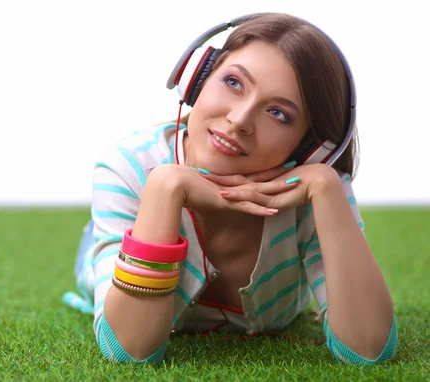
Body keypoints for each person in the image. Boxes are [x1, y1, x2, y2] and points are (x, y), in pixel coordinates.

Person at [62, 12, 398, 366]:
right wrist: (165, 186)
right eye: (234, 83)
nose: (239, 120)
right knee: (99, 262)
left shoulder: (317, 189)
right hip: (120, 232)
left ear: (309, 148)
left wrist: (329, 187)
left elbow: (369, 351)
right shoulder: (129, 166)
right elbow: (129, 350)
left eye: (278, 113)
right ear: (197, 79)